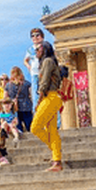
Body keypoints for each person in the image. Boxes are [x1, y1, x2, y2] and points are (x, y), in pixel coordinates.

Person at [31, 41, 63, 172]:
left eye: (38, 49)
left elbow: (44, 81)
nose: (36, 52)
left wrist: (39, 98)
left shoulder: (47, 62)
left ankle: (56, 153)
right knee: (51, 131)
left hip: (49, 96)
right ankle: (56, 159)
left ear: (44, 49)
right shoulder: (48, 62)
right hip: (52, 97)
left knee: (35, 127)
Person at [7, 66, 33, 132]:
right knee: (30, 126)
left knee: (18, 128)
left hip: (14, 109)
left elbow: (5, 98)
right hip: (26, 107)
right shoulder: (27, 84)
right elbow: (32, 95)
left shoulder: (8, 85)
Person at [23, 28, 45, 108]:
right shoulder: (30, 49)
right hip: (35, 73)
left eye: (37, 35)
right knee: (36, 94)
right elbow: (25, 60)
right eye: (32, 36)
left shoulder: (45, 46)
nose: (35, 37)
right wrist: (29, 67)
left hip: (44, 72)